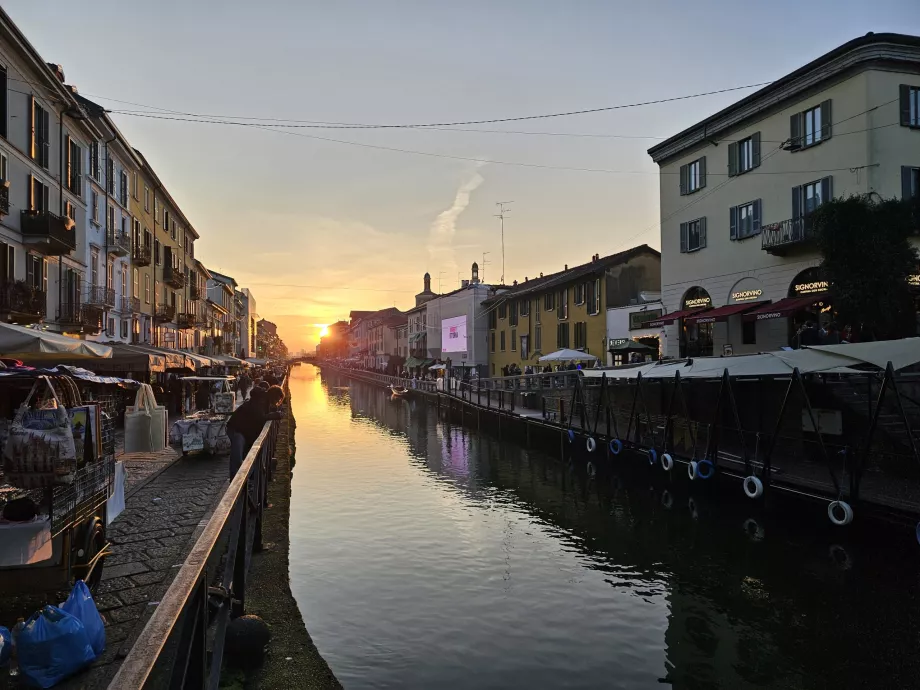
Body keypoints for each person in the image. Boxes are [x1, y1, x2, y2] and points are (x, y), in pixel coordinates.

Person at [226, 385, 285, 478]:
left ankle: (249, 478)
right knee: (237, 458)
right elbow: (260, 417)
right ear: (273, 396)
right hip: (237, 428)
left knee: (247, 454)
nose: (277, 402)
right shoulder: (260, 400)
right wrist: (275, 415)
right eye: (277, 400)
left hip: (245, 430)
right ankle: (235, 482)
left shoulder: (264, 401)